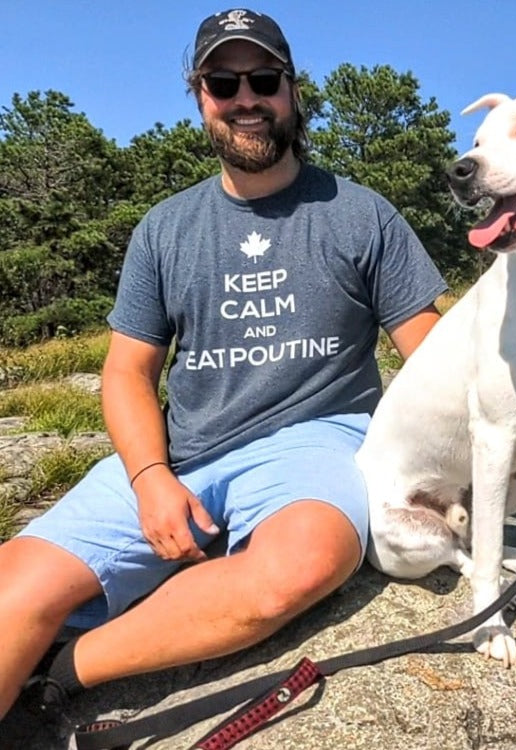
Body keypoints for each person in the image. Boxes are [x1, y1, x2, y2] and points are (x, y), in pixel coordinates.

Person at [0, 7, 446, 731]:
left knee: (300, 565)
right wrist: (150, 481)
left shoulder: (363, 215)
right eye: (222, 82)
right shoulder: (165, 228)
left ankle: (65, 667)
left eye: (263, 78)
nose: (245, 97)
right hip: (182, 448)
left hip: (317, 442)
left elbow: (433, 363)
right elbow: (126, 373)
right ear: (200, 95)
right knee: (14, 590)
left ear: (292, 89)